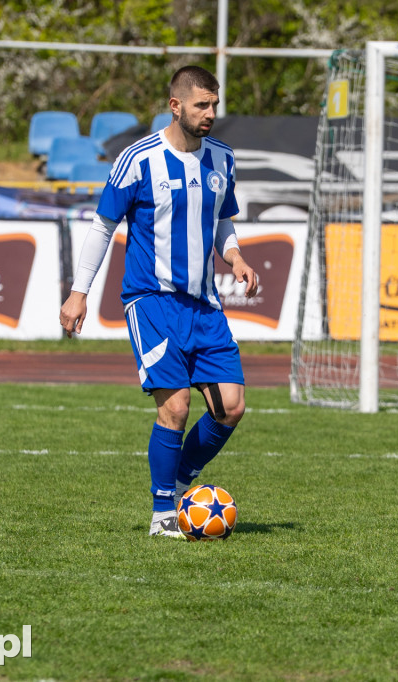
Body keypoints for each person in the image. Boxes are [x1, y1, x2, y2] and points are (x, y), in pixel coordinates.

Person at [59, 65, 259, 539]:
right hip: (151, 300)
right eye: (201, 105)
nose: (210, 114)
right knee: (175, 407)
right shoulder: (138, 159)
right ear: (176, 106)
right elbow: (104, 227)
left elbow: (223, 220)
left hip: (204, 304)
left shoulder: (223, 159)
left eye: (214, 105)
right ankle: (163, 512)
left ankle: (181, 479)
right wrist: (78, 292)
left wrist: (235, 257)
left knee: (231, 407)